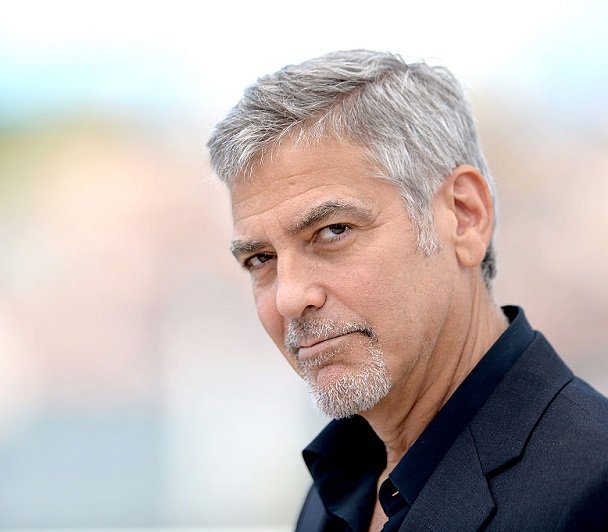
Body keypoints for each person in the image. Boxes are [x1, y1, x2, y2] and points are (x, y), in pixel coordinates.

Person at [206, 50, 608, 531]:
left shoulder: (593, 489)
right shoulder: (333, 493)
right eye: (261, 260)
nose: (290, 297)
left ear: (463, 216)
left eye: (333, 231)